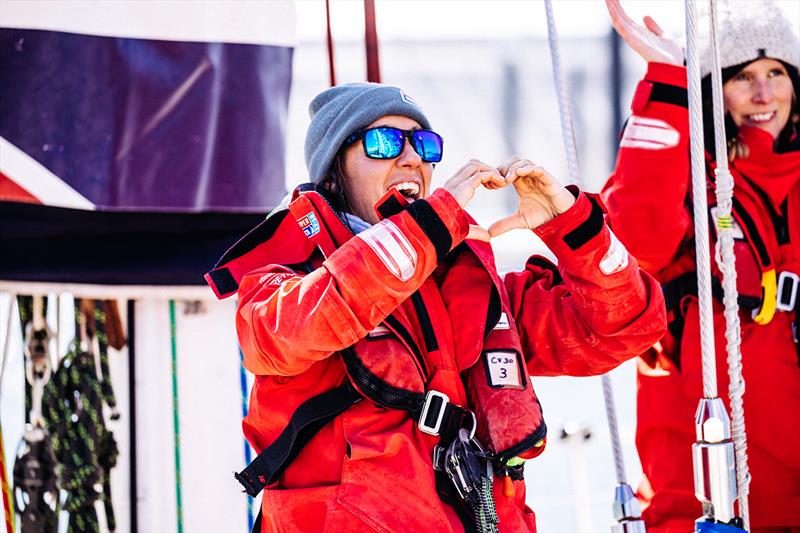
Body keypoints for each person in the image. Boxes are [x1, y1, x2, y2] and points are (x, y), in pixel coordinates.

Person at [207, 82, 666, 532]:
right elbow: (297, 328)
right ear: (332, 170)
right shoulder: (281, 280)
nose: (411, 158)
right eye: (383, 141)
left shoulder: (471, 280)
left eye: (423, 143)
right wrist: (433, 222)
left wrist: (571, 226)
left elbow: (627, 327)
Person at [602, 0, 800, 530]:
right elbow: (634, 244)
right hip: (704, 471)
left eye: (776, 72)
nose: (764, 94)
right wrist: (670, 86)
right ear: (714, 91)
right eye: (742, 78)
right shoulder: (688, 179)